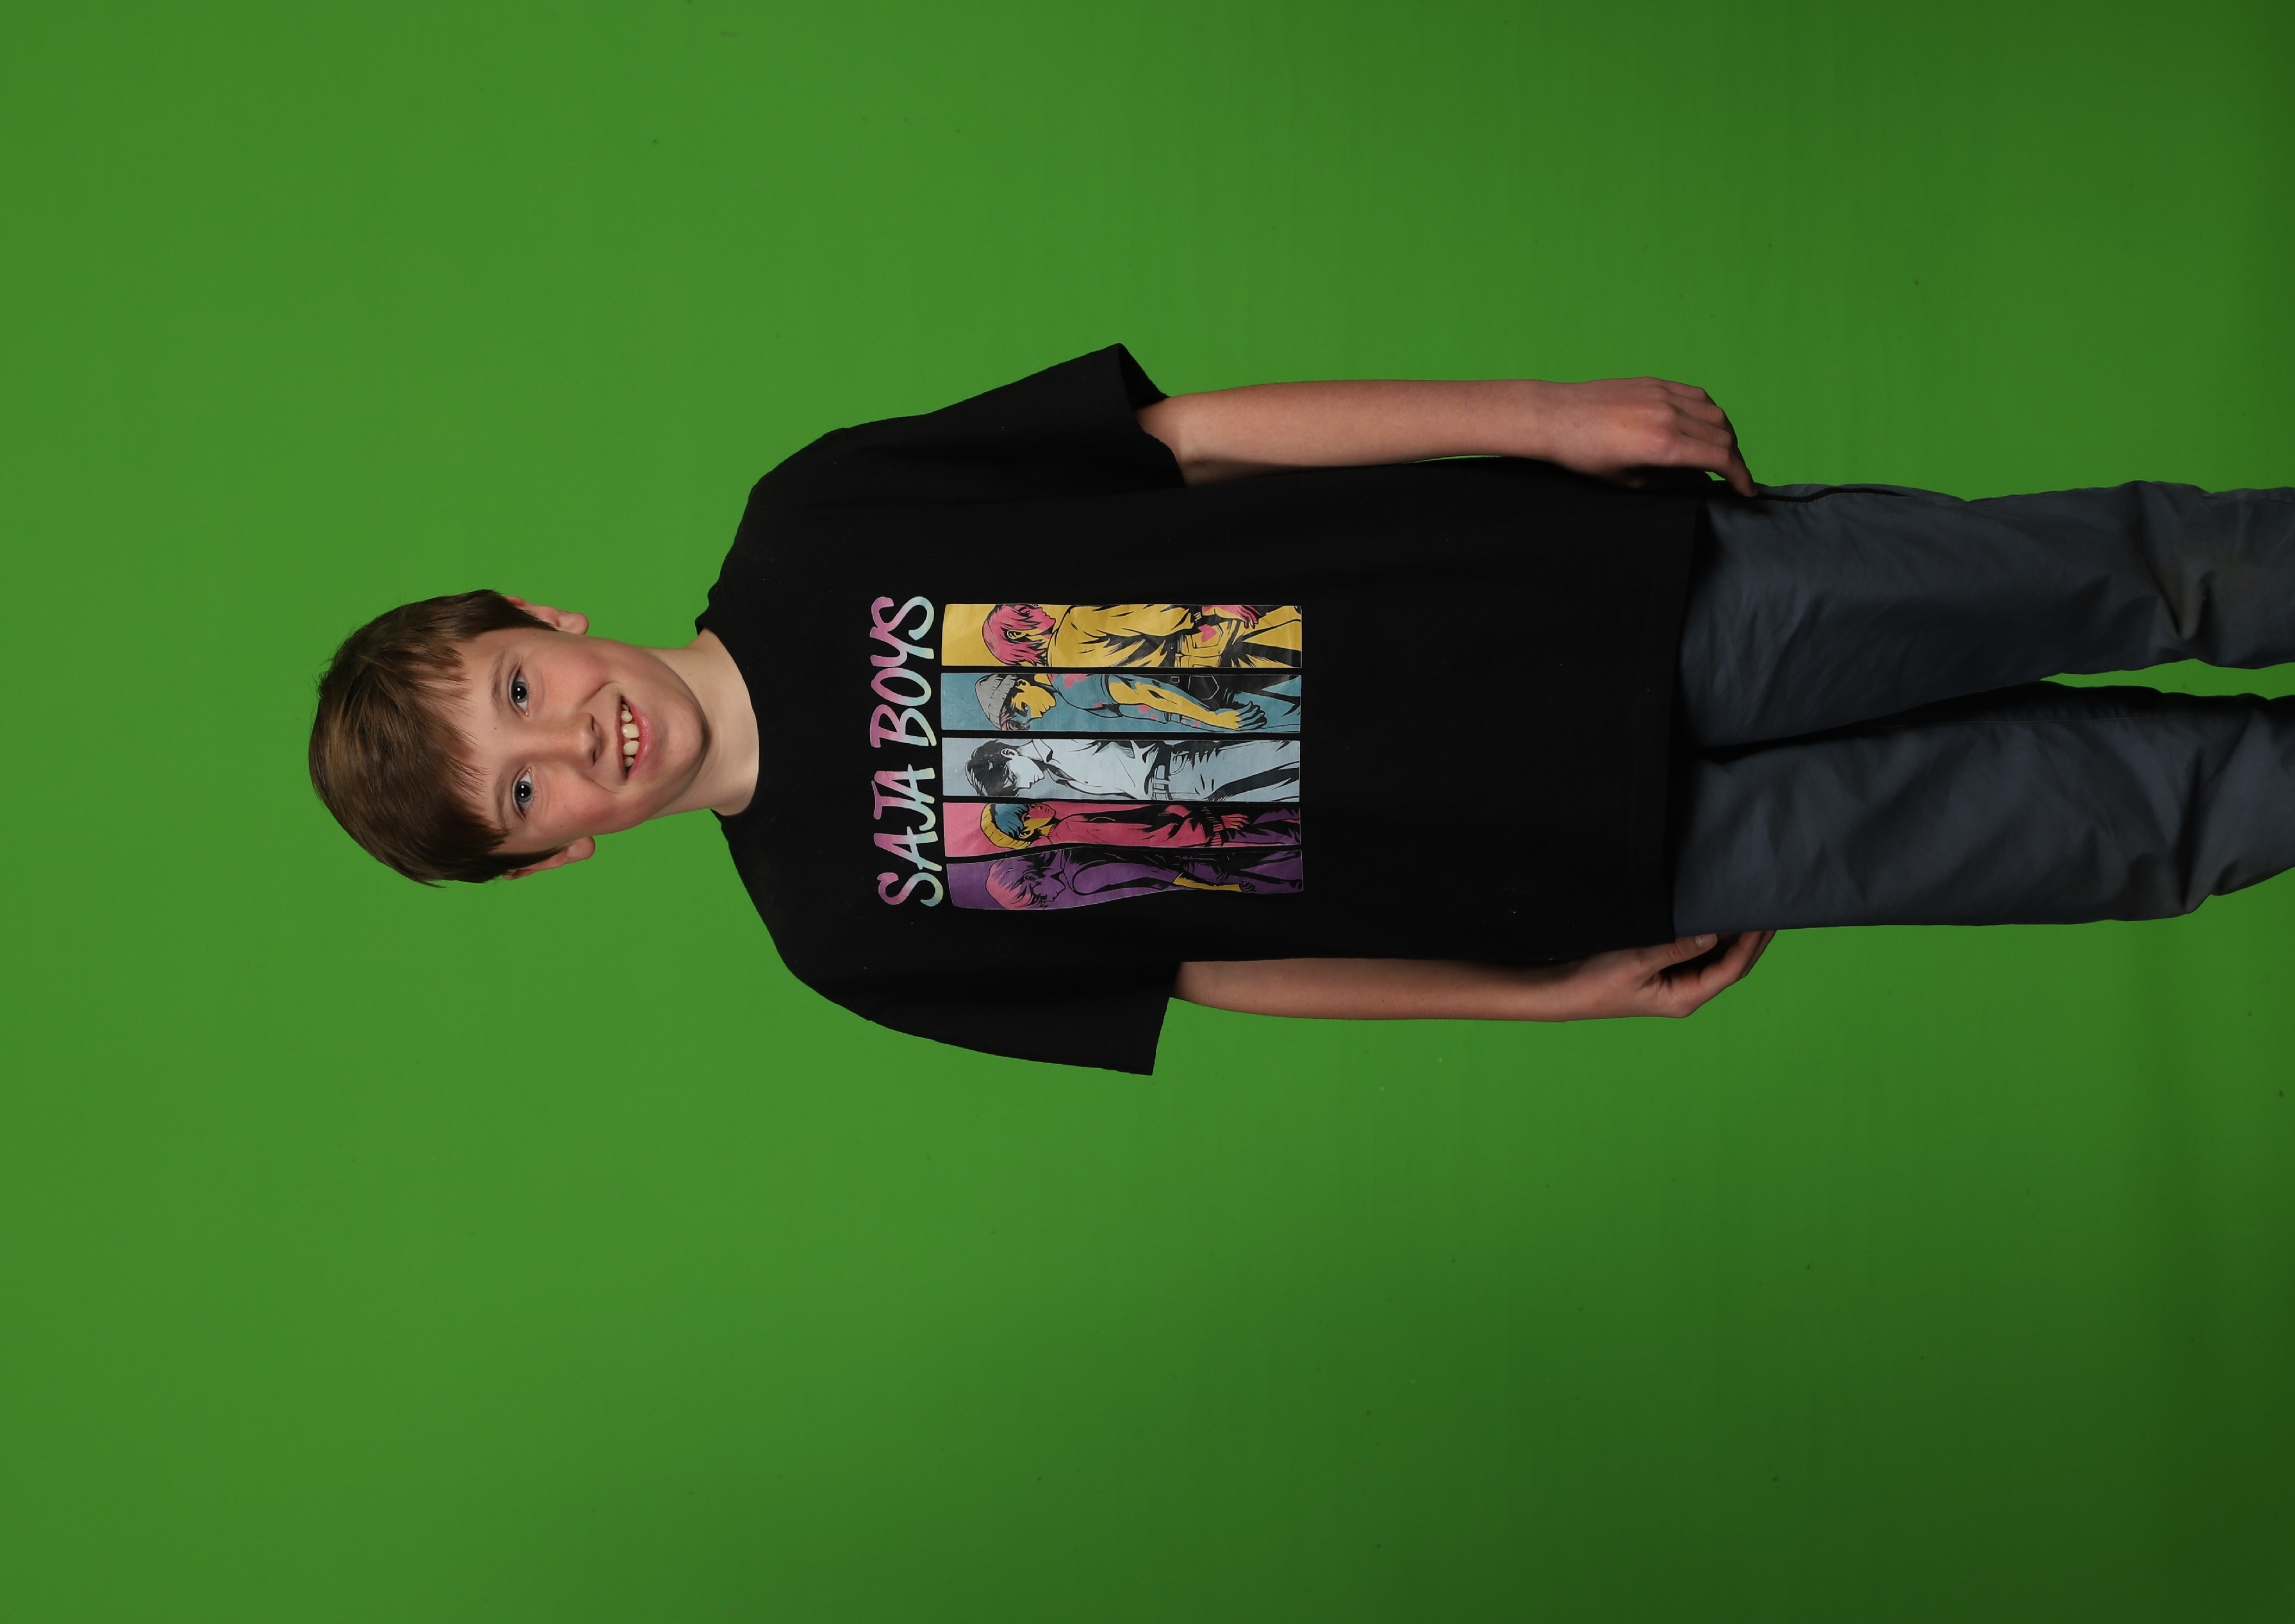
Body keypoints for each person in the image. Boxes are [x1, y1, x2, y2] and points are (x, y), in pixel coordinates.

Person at [306, 348, 2295, 1074]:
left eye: (519, 691)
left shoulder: (817, 516)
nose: (571, 740)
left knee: (2139, 568)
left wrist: (1537, 416)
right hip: (1597, 860)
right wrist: (1526, 1002)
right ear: (552, 860)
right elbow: (1208, 974)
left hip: (1614, 602)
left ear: (546, 616)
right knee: (2136, 825)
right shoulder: (845, 934)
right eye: (523, 792)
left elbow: (1181, 440)